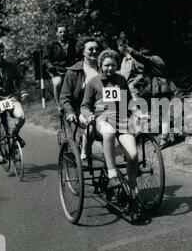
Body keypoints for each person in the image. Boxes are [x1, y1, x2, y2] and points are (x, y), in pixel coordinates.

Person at [80, 49, 138, 195]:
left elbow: (129, 102)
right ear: (100, 65)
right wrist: (88, 116)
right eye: (106, 65)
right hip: (102, 119)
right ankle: (112, 176)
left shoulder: (121, 80)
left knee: (133, 155)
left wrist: (139, 113)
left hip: (121, 120)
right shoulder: (93, 82)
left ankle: (132, 189)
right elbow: (85, 105)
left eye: (113, 65)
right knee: (109, 131)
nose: (110, 68)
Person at [117, 38, 177, 149]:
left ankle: (165, 138)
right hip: (160, 87)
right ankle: (172, 133)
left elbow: (141, 58)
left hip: (161, 87)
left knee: (163, 114)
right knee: (162, 113)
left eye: (144, 53)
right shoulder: (156, 59)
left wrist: (128, 48)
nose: (142, 56)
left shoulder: (153, 59)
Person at [60, 36, 100, 160]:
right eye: (90, 49)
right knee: (91, 125)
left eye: (96, 49)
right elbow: (65, 96)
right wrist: (70, 112)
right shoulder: (74, 72)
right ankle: (84, 151)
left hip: (102, 110)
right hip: (81, 111)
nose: (94, 51)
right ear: (83, 52)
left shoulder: (104, 69)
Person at [45, 24, 77, 112]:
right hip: (56, 69)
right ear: (57, 34)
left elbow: (77, 56)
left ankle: (73, 103)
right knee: (57, 83)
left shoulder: (73, 43)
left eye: (65, 32)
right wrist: (50, 66)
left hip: (70, 69)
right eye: (60, 32)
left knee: (76, 85)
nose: (63, 34)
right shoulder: (52, 45)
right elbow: (46, 58)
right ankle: (59, 105)